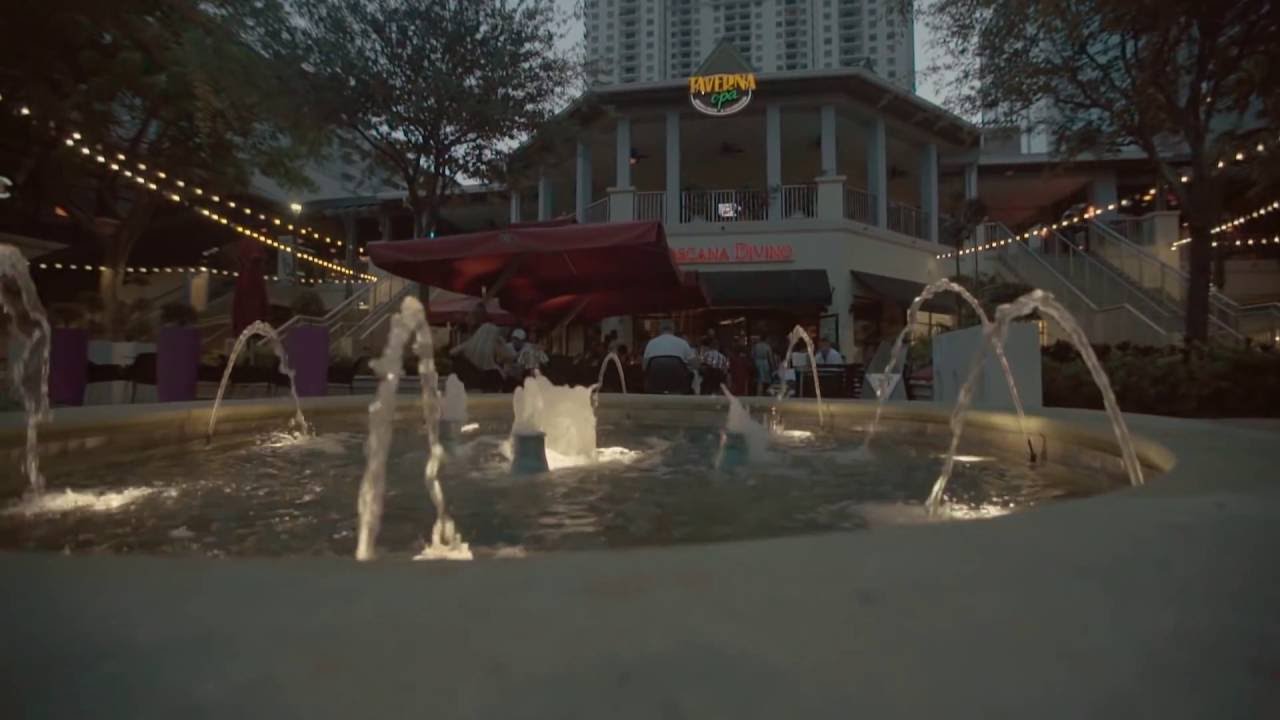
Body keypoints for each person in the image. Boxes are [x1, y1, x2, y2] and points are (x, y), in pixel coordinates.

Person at [449, 305, 512, 391]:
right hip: (491, 377)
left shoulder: (478, 338)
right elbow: (508, 356)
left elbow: (452, 352)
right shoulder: (491, 333)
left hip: (478, 379)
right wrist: (503, 368)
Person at [642, 320, 695, 393]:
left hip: (655, 383)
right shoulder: (683, 343)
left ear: (660, 330)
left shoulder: (651, 343)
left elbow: (644, 367)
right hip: (678, 383)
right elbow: (695, 364)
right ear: (673, 329)